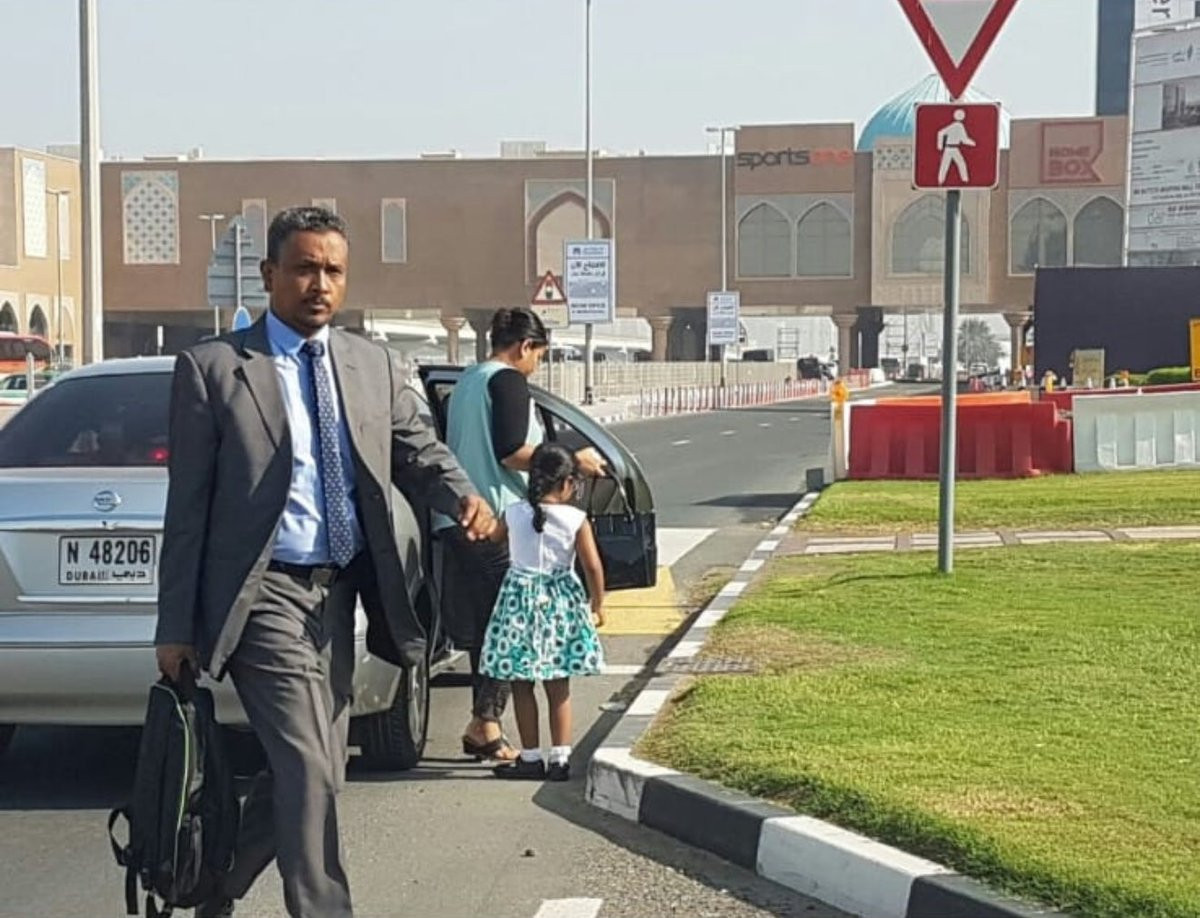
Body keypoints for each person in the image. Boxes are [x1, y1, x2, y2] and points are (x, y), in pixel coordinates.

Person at [154, 206, 494, 918]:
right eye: (305, 268)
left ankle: (212, 887)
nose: (320, 284)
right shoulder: (214, 369)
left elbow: (416, 449)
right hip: (261, 596)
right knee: (309, 765)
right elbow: (187, 509)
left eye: (333, 270)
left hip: (338, 598)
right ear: (269, 274)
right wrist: (174, 626)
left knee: (314, 770)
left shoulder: (370, 365)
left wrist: (462, 494)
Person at [443, 307, 606, 762]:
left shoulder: (467, 380)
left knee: (487, 628)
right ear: (524, 346)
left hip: (457, 515)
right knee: (509, 629)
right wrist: (572, 460)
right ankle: (485, 722)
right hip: (495, 520)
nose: (536, 365)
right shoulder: (508, 380)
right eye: (539, 355)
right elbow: (512, 451)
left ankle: (485, 723)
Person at [481, 444, 606, 781]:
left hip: (517, 605)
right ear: (566, 483)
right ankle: (560, 758)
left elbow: (493, 537)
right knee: (558, 685)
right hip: (559, 605)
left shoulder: (513, 513)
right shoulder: (576, 519)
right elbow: (592, 566)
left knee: (521, 683)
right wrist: (598, 604)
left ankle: (531, 756)